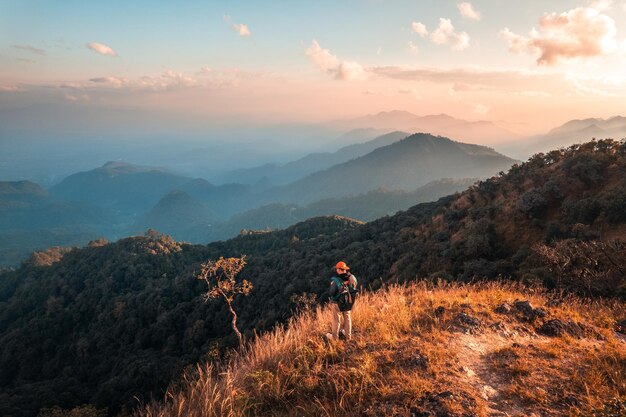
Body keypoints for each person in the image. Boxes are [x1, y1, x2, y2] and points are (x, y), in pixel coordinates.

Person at [327, 261, 358, 341]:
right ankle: (348, 336)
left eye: (337, 269)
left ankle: (335, 338)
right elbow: (355, 285)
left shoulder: (336, 281)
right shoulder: (351, 278)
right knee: (347, 318)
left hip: (337, 303)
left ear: (339, 270)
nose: (337, 270)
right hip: (348, 301)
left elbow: (331, 293)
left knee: (336, 320)